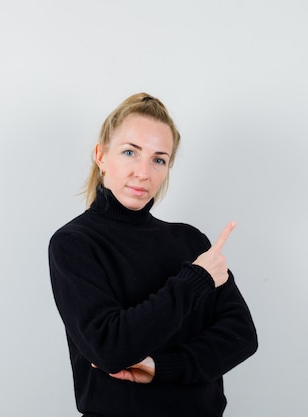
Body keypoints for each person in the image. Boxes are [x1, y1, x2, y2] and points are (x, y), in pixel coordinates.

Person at [48, 92, 258, 417]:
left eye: (159, 159)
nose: (143, 172)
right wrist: (197, 280)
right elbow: (110, 348)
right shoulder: (75, 243)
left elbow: (241, 336)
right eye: (130, 152)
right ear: (101, 156)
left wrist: (163, 367)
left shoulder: (190, 240)